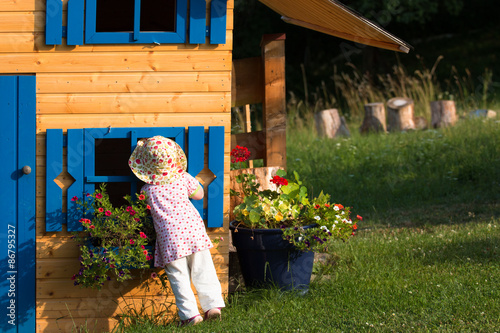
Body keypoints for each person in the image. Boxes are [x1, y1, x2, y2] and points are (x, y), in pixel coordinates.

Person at [128, 136, 225, 326]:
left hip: (170, 238)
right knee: (203, 269)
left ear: (146, 167)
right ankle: (212, 307)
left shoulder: (147, 190)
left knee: (178, 276)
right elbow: (199, 195)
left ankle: (191, 316)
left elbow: (140, 208)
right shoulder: (184, 178)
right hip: (193, 232)